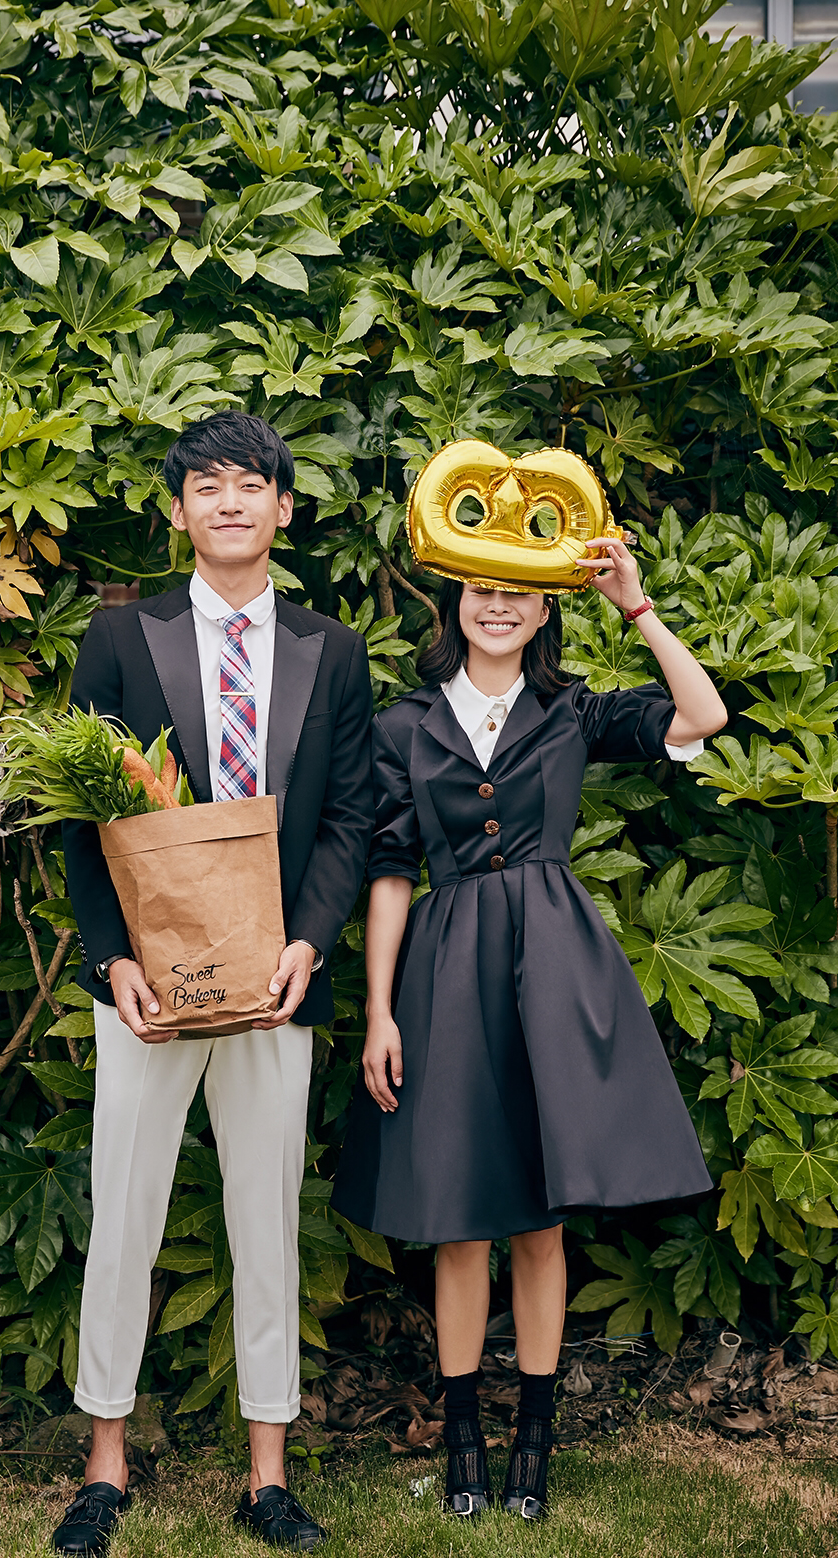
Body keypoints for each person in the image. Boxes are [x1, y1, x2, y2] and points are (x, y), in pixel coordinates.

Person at [332, 535, 724, 1522]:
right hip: (446, 972)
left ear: (546, 608)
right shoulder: (404, 724)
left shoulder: (572, 709)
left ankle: (534, 1448)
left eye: (518, 592)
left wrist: (636, 605)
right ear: (454, 601)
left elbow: (702, 714)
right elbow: (390, 873)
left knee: (541, 1222)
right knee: (462, 1221)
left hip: (553, 967)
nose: (497, 605)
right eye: (480, 588)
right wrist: (379, 1009)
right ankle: (464, 1443)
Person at [55, 411, 374, 1554]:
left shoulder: (334, 649)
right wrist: (113, 960)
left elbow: (349, 816)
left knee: (266, 1221)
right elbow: (81, 819)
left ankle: (268, 1473)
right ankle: (103, 1462)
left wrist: (312, 941)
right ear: (179, 510)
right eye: (207, 484)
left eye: (250, 483)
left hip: (276, 981)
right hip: (148, 984)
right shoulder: (120, 637)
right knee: (124, 1216)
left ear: (284, 506)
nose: (230, 501)